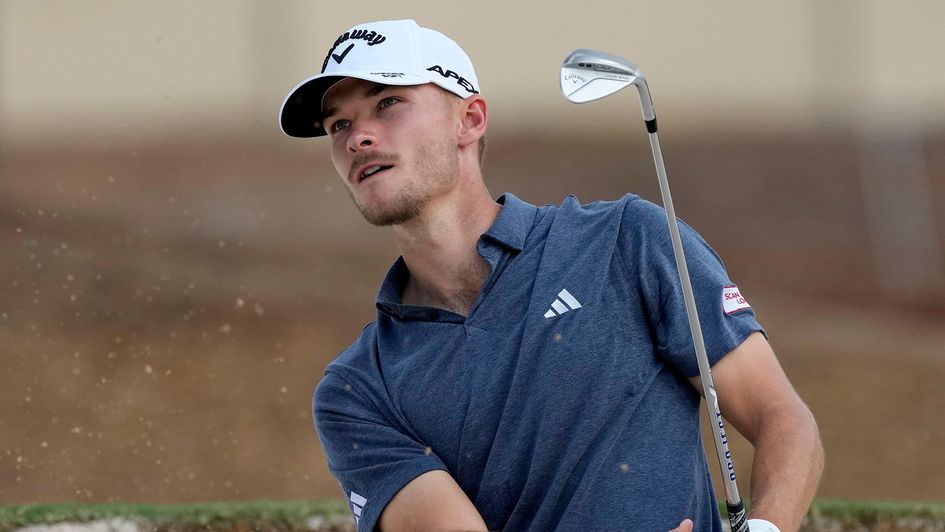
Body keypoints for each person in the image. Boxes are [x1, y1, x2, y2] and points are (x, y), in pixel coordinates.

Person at [279, 19, 823, 532]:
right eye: (340, 124)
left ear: (470, 119)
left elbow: (782, 419)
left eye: (388, 103)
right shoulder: (357, 390)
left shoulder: (627, 239)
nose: (358, 138)